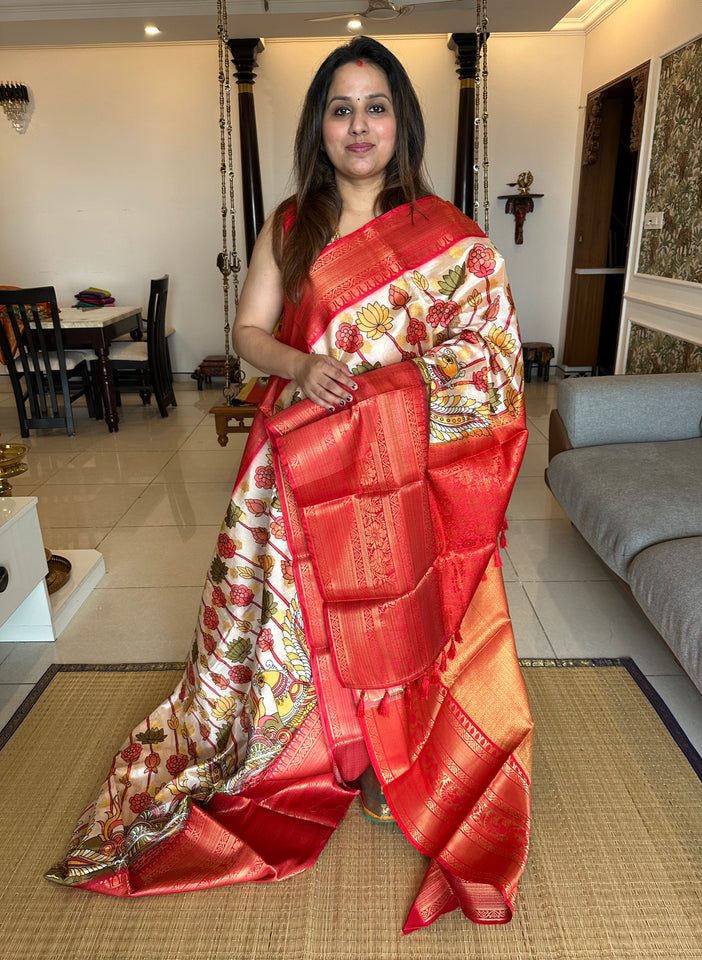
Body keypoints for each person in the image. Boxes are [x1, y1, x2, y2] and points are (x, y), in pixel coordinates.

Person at [46, 36, 533, 933]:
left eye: (376, 106)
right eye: (342, 108)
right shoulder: (288, 222)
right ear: (320, 124)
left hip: (400, 474)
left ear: (401, 122)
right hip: (300, 466)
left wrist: (398, 394)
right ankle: (321, 761)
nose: (359, 125)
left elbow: (488, 359)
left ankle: (394, 764)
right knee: (300, 622)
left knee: (397, 610)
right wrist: (304, 369)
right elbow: (248, 334)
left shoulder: (446, 234)